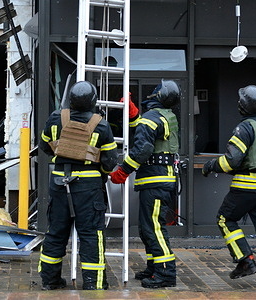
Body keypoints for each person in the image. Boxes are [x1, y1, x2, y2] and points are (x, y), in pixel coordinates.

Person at [201, 85, 256, 289]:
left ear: (244, 106)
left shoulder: (245, 127)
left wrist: (210, 165)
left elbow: (232, 160)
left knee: (225, 218)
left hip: (246, 188)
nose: (238, 103)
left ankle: (245, 260)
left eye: (241, 101)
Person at [38, 80, 118, 290]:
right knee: (91, 234)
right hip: (89, 188)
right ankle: (94, 283)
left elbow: (44, 147)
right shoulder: (101, 124)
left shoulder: (56, 118)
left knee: (55, 233)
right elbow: (110, 163)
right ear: (93, 100)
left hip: (58, 183)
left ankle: (49, 281)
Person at [109, 80, 181, 289]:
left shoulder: (152, 118)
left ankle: (166, 273)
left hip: (155, 181)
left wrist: (123, 171)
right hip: (160, 180)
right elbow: (146, 131)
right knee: (147, 228)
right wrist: (133, 116)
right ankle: (154, 267)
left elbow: (142, 148)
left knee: (154, 229)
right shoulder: (164, 116)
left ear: (159, 96)